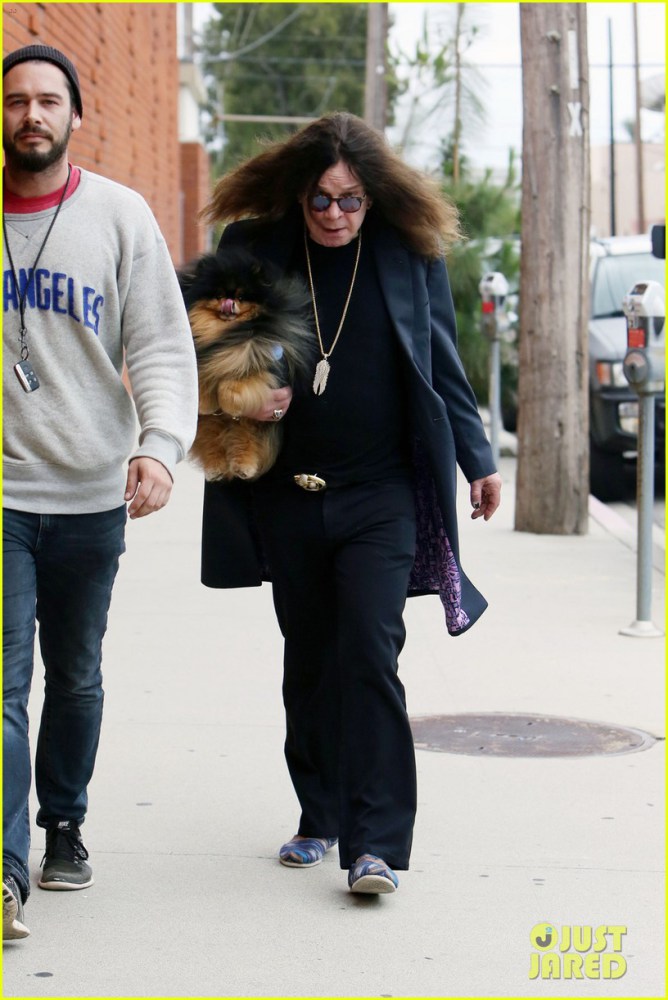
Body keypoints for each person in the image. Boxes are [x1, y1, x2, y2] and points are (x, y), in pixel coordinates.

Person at [198, 112, 502, 896]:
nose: (335, 215)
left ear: (373, 198)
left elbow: (441, 363)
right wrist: (242, 391)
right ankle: (319, 814)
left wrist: (477, 459)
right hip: (288, 493)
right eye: (321, 201)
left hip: (382, 495)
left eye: (351, 201)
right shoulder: (255, 249)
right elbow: (200, 342)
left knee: (370, 651)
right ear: (297, 196)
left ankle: (375, 847)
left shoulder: (406, 252)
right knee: (310, 659)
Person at [2, 45, 198, 940]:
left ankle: (64, 825)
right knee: (5, 685)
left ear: (75, 115)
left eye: (48, 101)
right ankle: (6, 870)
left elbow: (157, 340)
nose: (31, 115)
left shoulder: (119, 215)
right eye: (16, 101)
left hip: (89, 493)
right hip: (4, 496)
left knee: (75, 676)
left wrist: (160, 446)